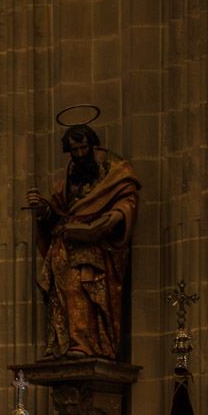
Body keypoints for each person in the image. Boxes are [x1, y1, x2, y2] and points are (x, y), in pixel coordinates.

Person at [25, 123, 140, 361]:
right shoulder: (66, 181)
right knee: (61, 293)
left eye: (82, 148)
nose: (78, 154)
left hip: (92, 246)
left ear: (92, 145)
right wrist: (41, 208)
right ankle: (63, 343)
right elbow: (57, 214)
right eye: (73, 150)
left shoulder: (110, 172)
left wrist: (113, 218)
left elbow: (126, 199)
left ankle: (87, 344)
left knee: (81, 289)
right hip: (65, 244)